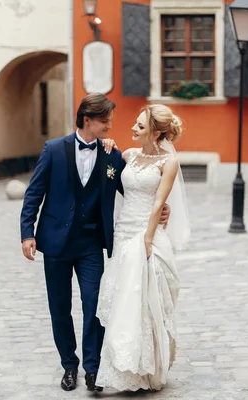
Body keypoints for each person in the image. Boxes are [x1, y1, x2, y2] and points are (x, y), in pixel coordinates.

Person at [19, 93, 170, 392]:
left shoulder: (112, 156)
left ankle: (92, 368)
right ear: (87, 120)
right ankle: (69, 366)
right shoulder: (53, 150)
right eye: (105, 120)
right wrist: (27, 233)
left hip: (91, 243)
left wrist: (160, 206)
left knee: (94, 305)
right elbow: (34, 193)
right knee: (59, 307)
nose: (111, 125)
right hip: (56, 242)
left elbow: (134, 189)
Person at [95, 104, 190, 392]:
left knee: (147, 302)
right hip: (123, 234)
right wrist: (108, 146)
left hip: (146, 236)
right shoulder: (129, 155)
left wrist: (147, 240)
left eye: (139, 126)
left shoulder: (168, 163)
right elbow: (118, 180)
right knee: (124, 301)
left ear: (156, 132)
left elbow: (159, 203)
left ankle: (148, 368)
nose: (132, 129)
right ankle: (126, 367)